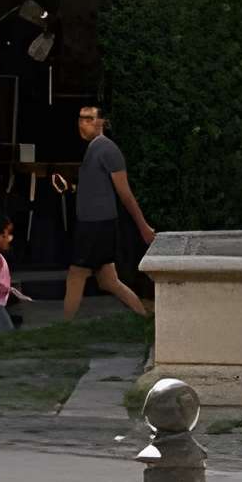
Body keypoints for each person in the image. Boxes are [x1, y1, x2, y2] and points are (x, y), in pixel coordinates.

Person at [61, 102, 155, 319]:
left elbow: (125, 194)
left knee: (76, 274)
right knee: (107, 280)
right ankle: (143, 316)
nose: (82, 125)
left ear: (102, 122)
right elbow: (94, 188)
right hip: (92, 223)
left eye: (89, 119)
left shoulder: (108, 149)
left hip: (98, 224)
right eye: (80, 119)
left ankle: (64, 328)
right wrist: (70, 188)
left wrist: (143, 227)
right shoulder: (94, 148)